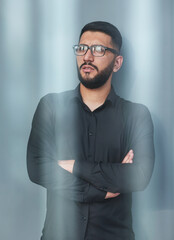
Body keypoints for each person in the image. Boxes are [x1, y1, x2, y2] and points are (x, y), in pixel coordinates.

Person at [27, 21, 155, 240]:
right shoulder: (51, 107)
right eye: (81, 48)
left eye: (98, 50)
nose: (87, 57)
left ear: (117, 63)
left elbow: (138, 177)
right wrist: (103, 188)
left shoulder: (137, 115)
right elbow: (37, 168)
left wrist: (73, 165)